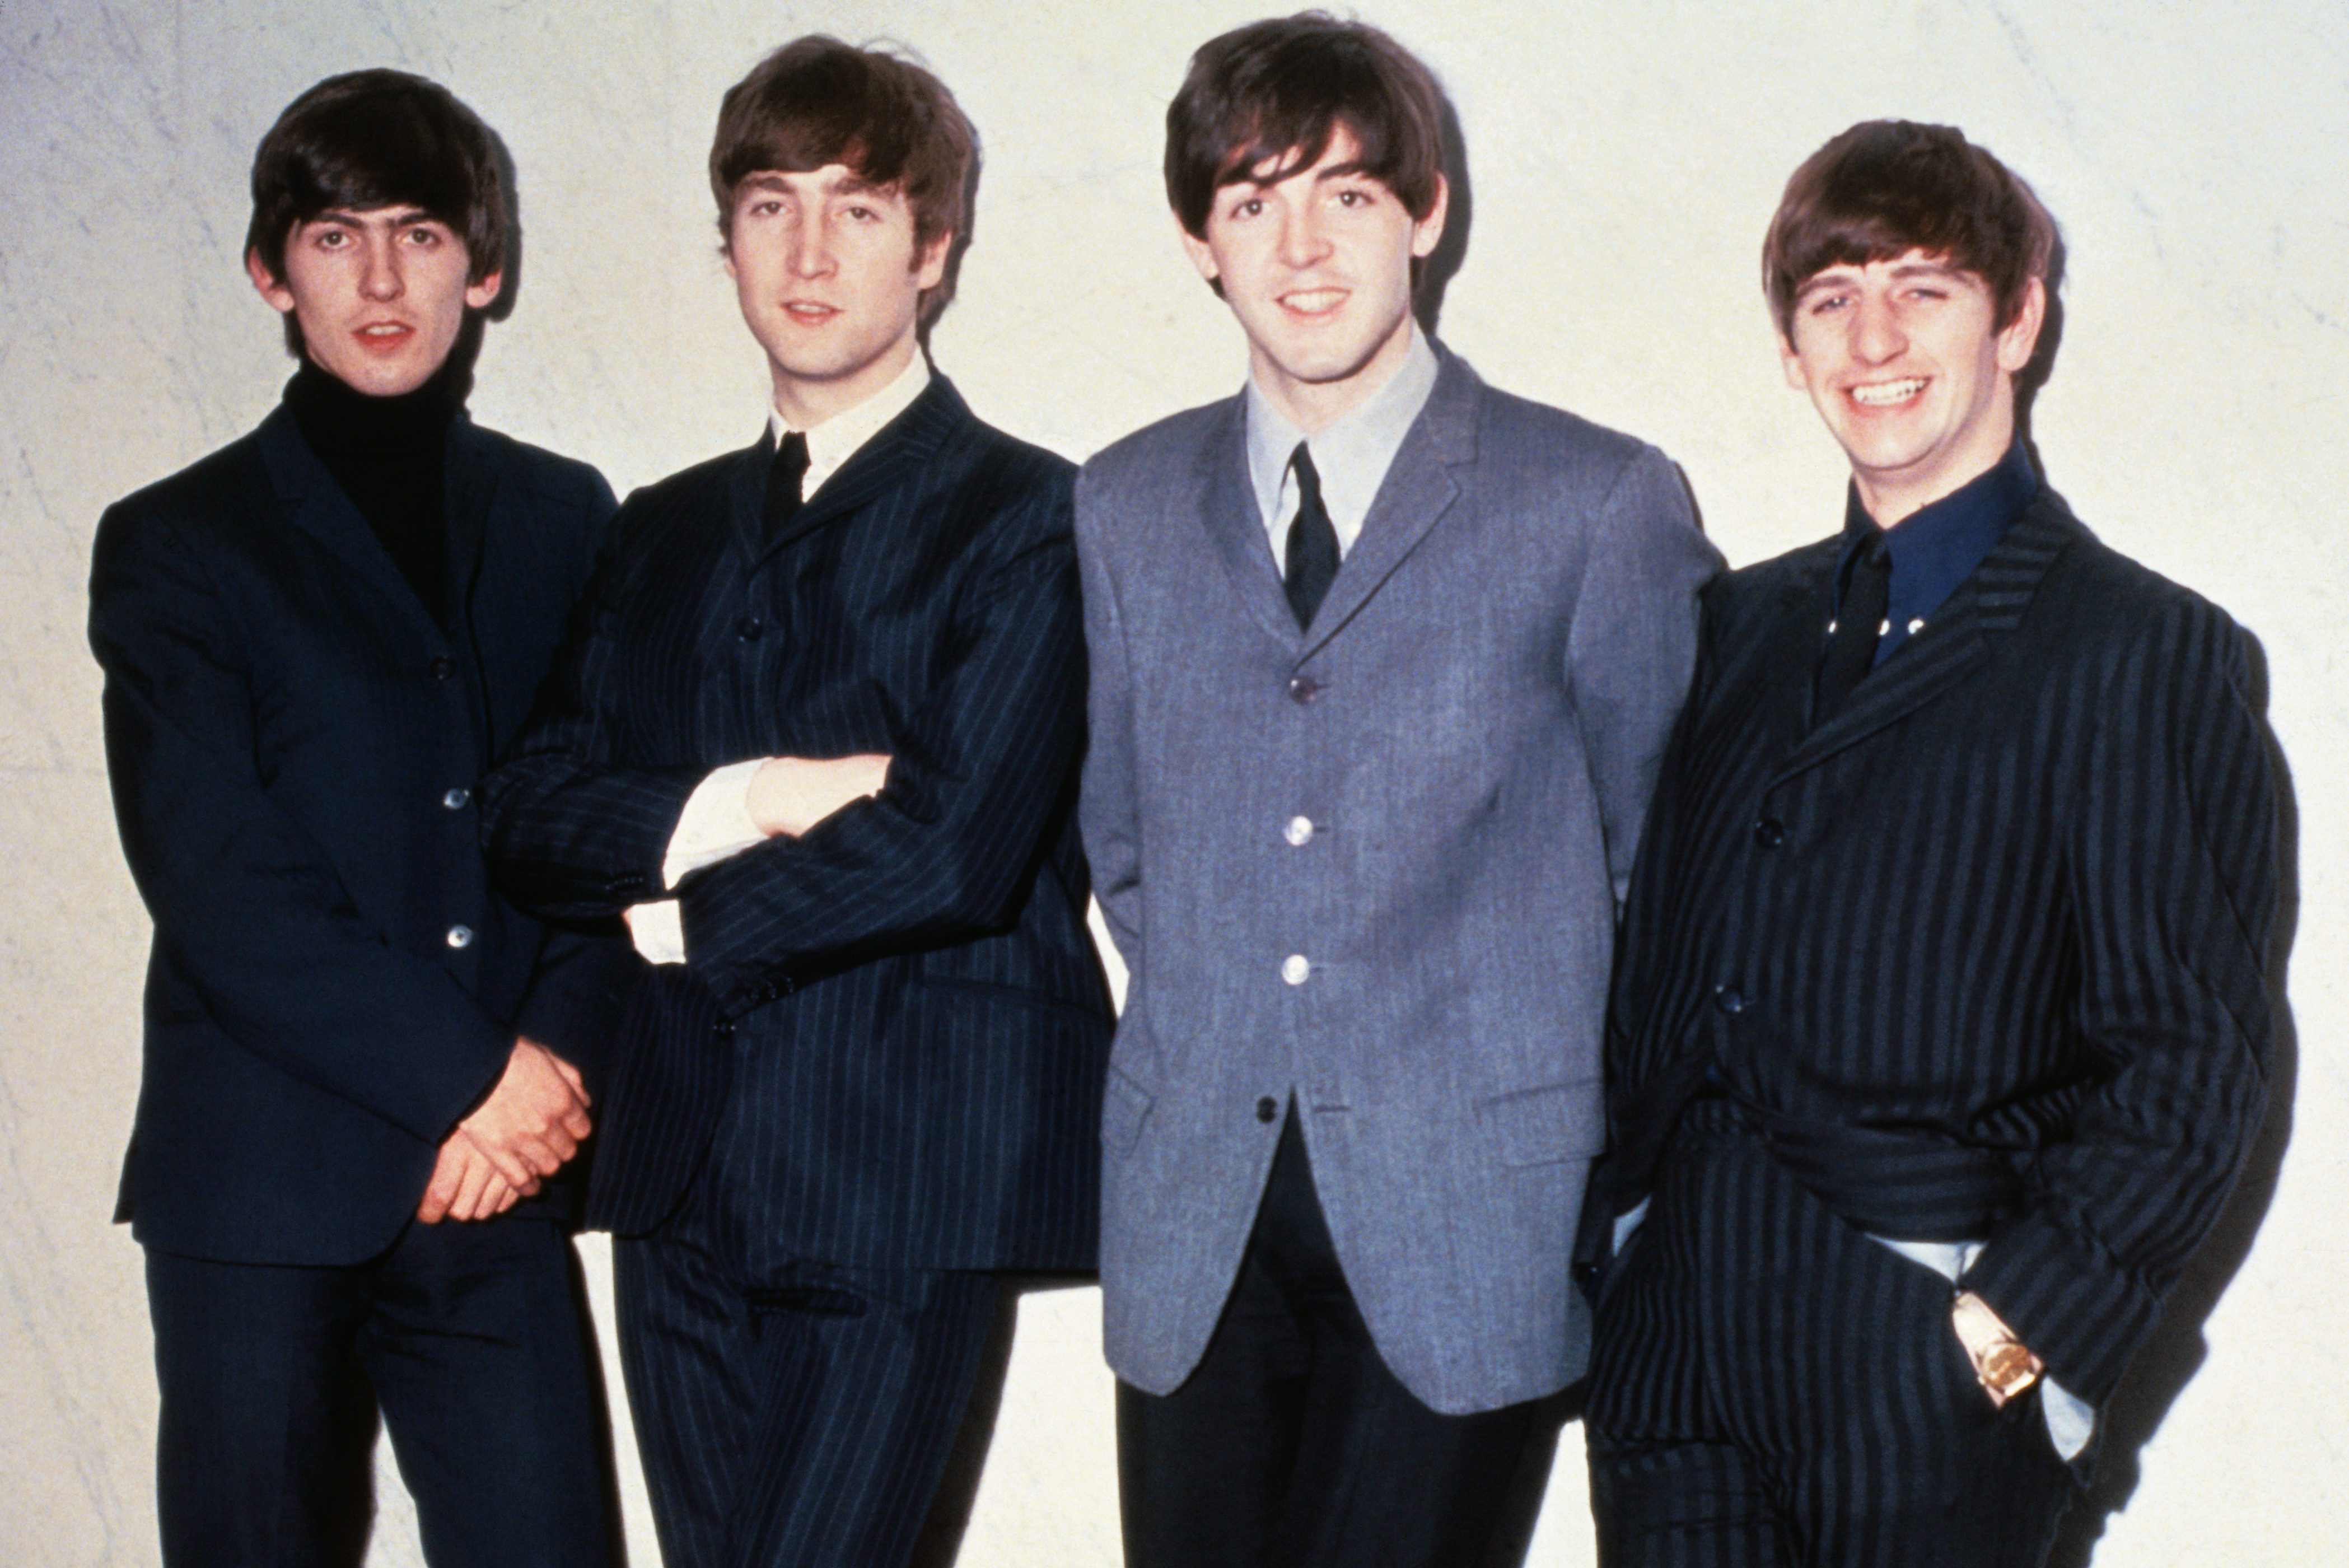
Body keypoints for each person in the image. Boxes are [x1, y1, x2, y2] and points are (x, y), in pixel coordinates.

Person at [1577, 119, 2279, 1567]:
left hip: (1920, 1343)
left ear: (2017, 318)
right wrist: (1624, 1245)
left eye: (1925, 286)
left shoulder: (2138, 651)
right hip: (1669, 1344)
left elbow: (2191, 1055)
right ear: (1787, 345)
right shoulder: (1733, 630)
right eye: (1829, 298)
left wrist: (2020, 1330)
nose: (1872, 336)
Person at [1073, 14, 1720, 1566]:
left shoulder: (1596, 499)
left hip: (1470, 1221)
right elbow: (1122, 839)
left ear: (1425, 213)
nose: (1300, 247)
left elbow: (1671, 869)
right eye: (1251, 202)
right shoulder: (1119, 502)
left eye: (1348, 195)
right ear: (1195, 239)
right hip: (1191, 1222)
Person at [477, 36, 1112, 1568]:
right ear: (727, 243)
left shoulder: (1034, 514)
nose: (810, 251)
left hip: (906, 1167)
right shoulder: (657, 531)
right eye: (771, 205)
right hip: (679, 1166)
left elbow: (956, 847)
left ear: (935, 251)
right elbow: (524, 812)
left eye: (860, 209)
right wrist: (746, 799)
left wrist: (667, 917)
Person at [87, 68, 627, 1568]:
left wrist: (537, 1094)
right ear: (272, 272)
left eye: (420, 233)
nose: (382, 280)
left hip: (494, 1180)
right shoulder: (177, 545)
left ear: (485, 263)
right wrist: (466, 1077)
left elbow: (594, 838)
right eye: (335, 238)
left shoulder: (565, 517)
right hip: (260, 1181)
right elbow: (217, 882)